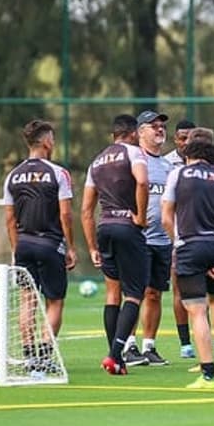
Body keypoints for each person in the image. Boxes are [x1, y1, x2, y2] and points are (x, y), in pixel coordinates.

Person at [161, 135, 214, 388]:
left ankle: (208, 374)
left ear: (188, 156)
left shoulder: (179, 174)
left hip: (191, 246)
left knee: (197, 310)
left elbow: (166, 216)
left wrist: (178, 242)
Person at [3, 120, 77, 371]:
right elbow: (66, 214)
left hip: (23, 244)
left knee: (27, 299)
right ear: (46, 142)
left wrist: (16, 249)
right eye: (53, 139)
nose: (54, 144)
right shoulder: (58, 173)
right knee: (54, 301)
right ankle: (46, 356)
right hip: (50, 243)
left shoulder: (12, 175)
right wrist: (70, 246)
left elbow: (9, 219)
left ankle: (29, 356)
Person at [80, 114, 149, 375]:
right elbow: (142, 181)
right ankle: (113, 355)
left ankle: (115, 358)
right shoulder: (134, 153)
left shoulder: (96, 161)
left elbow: (86, 211)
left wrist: (92, 247)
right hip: (127, 227)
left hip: (105, 228)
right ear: (133, 134)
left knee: (112, 293)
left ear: (113, 135)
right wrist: (140, 217)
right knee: (134, 294)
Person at [125, 110, 175, 366]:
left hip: (162, 242)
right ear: (140, 132)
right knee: (135, 292)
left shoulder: (169, 166)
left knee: (155, 294)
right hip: (138, 239)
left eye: (161, 126)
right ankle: (128, 345)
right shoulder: (134, 160)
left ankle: (149, 346)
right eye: (153, 126)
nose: (159, 130)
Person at [164, 119, 198, 359]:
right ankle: (185, 343)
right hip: (177, 236)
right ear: (175, 139)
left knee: (209, 293)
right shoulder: (166, 165)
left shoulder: (208, 163)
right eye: (181, 138)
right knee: (179, 290)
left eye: (190, 138)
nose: (186, 142)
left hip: (203, 234)